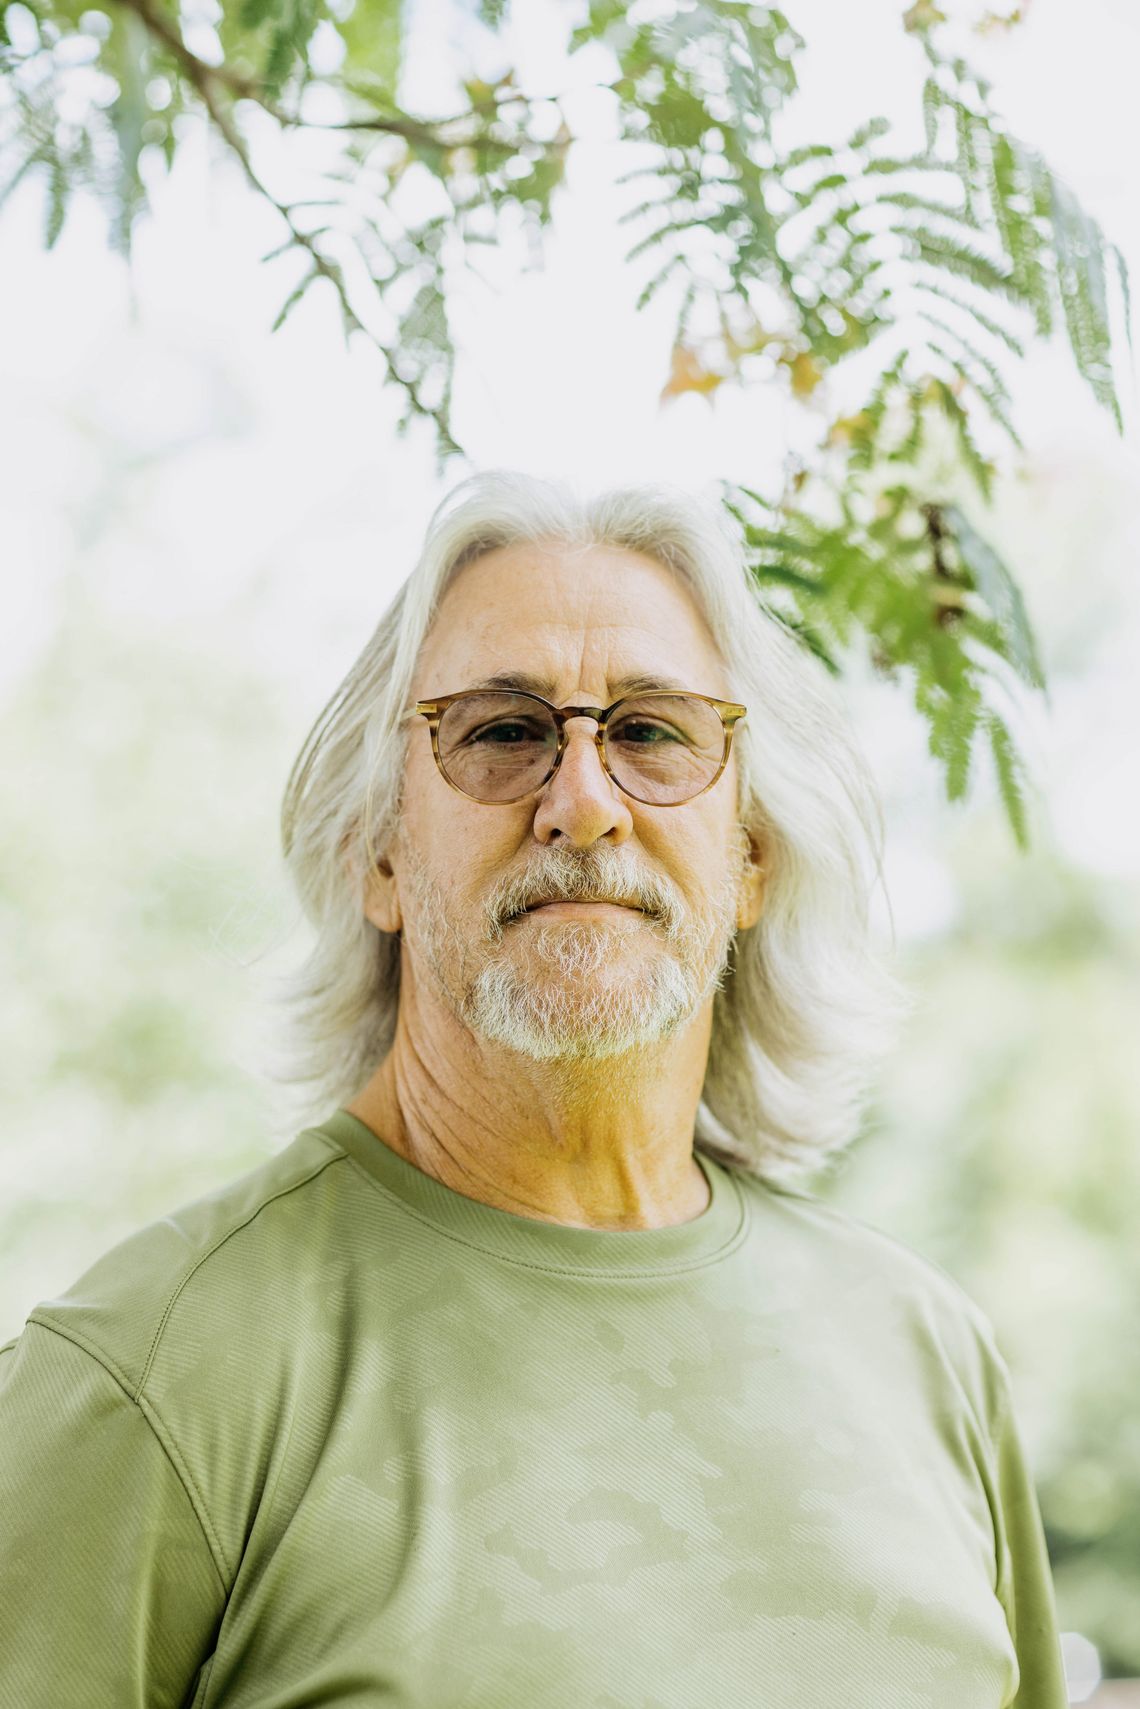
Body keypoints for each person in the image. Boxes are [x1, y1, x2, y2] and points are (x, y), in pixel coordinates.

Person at [0, 471, 1068, 1707]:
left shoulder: (925, 1353)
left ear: (754, 855)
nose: (583, 803)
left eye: (653, 731)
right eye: (502, 732)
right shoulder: (149, 1376)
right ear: (379, 854)